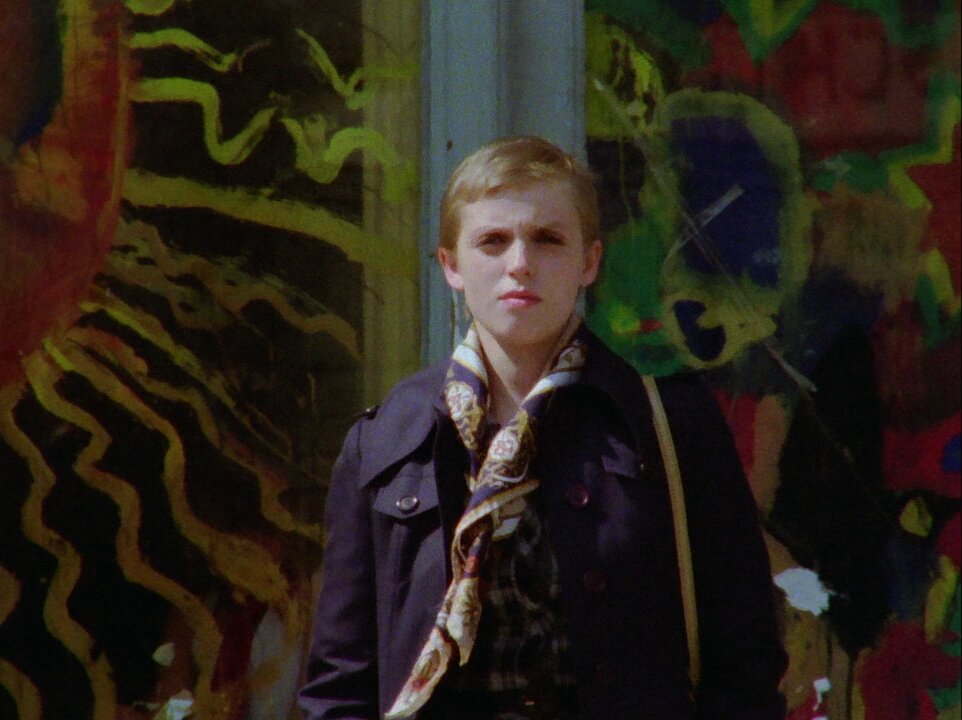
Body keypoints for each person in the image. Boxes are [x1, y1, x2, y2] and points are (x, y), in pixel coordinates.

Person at [298, 136, 787, 720]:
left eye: (548, 239)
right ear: (451, 266)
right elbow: (341, 684)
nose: (520, 264)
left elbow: (745, 663)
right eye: (492, 241)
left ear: (589, 263)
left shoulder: (670, 428)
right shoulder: (386, 442)